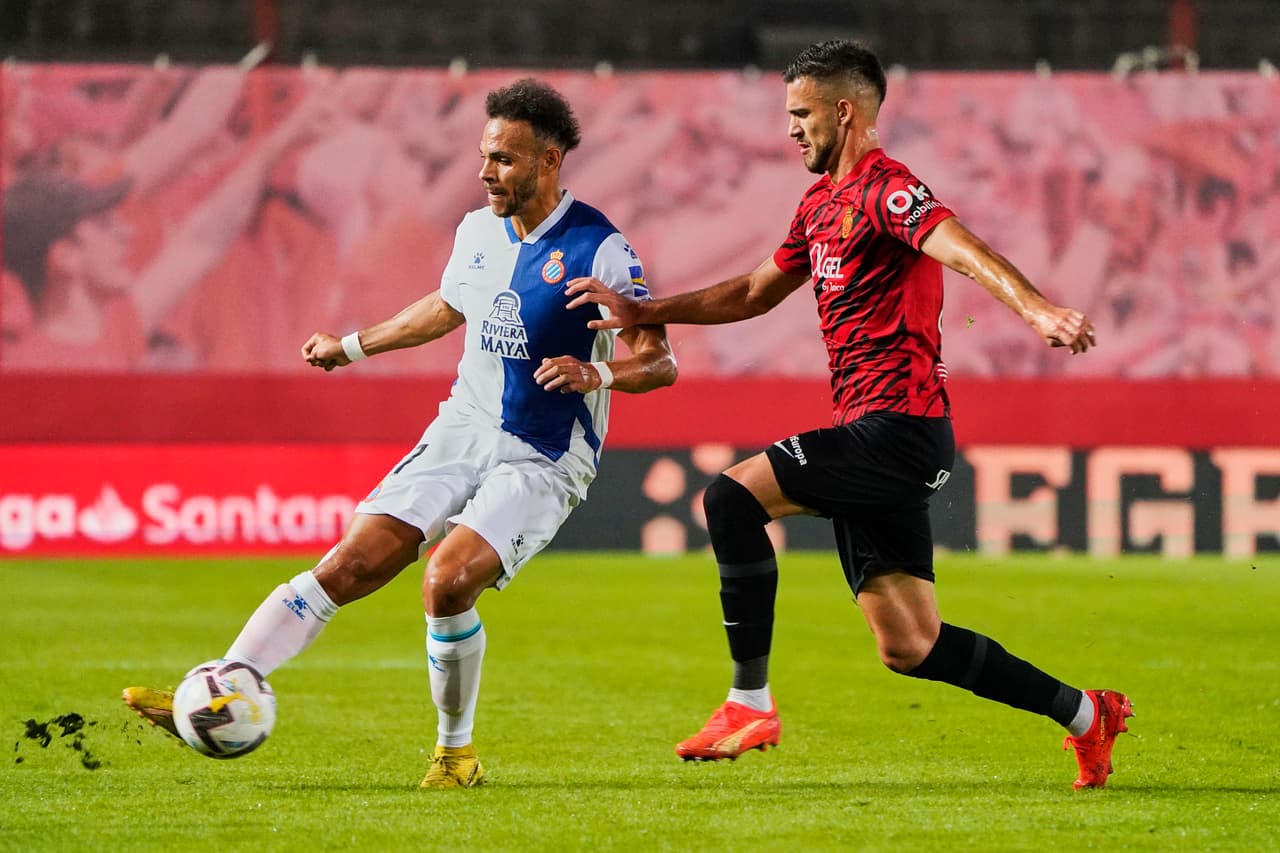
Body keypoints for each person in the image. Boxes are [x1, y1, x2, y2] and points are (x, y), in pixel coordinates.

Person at [566, 40, 1132, 790]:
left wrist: (1038, 308)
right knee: (912, 645)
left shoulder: (887, 190)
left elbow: (958, 245)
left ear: (843, 110)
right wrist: (648, 308)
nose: (791, 130)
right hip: (883, 436)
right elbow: (752, 293)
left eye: (801, 114)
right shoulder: (818, 205)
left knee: (731, 496)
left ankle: (748, 701)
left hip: (899, 430)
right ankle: (1089, 715)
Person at [123, 78, 678, 788]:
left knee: (446, 583)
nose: (484, 172)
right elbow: (447, 307)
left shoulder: (602, 249)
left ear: (547, 159)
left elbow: (659, 363)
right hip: (462, 429)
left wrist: (598, 376)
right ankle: (222, 687)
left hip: (542, 455)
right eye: (483, 156)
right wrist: (351, 346)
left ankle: (455, 753)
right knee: (346, 566)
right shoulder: (476, 230)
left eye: (503, 159)